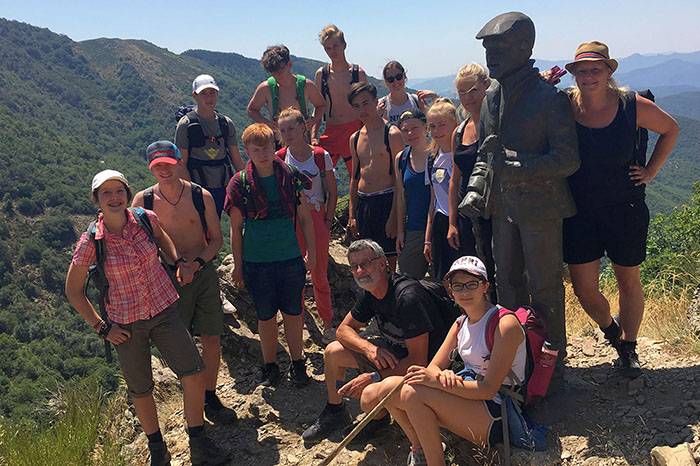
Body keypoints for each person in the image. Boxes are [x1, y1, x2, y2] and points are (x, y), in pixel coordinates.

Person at [65, 170, 229, 466]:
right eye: (106, 193)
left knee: (192, 373)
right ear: (96, 200)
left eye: (119, 191)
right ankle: (157, 450)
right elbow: (73, 291)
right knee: (141, 389)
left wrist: (176, 260)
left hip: (163, 308)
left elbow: (162, 237)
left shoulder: (143, 218)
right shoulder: (91, 241)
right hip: (125, 324)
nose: (114, 198)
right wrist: (102, 328)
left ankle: (199, 441)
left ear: (127, 194)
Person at [462, 12, 581, 390]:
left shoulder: (549, 98)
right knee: (507, 286)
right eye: (487, 48)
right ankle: (515, 367)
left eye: (499, 47)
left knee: (545, 289)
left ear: (525, 48)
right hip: (502, 209)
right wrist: (476, 190)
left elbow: (568, 160)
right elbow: (487, 150)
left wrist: (520, 167)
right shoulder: (493, 95)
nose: (491, 55)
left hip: (542, 210)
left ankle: (553, 372)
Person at [562, 41, 679, 377]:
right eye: (581, 71)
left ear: (609, 72)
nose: (587, 76)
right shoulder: (566, 106)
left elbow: (671, 129)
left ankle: (628, 347)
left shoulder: (631, 105)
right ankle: (611, 331)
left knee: (628, 280)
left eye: (595, 69)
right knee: (583, 288)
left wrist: (651, 172)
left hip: (625, 206)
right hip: (579, 209)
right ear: (573, 75)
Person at [301, 240, 454, 444]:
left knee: (368, 395)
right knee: (333, 352)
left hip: (427, 369)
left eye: (366, 263)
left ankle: (383, 421)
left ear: (383, 263)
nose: (360, 270)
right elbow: (343, 330)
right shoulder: (370, 291)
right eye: (354, 266)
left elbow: (419, 362)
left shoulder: (407, 297)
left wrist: (373, 377)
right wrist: (370, 349)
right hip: (393, 356)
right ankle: (336, 410)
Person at [378, 256, 526, 466]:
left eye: (471, 284)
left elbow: (488, 390)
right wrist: (442, 375)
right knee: (388, 389)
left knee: (412, 392)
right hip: (470, 398)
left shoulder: (504, 324)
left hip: (498, 412)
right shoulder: (460, 323)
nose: (464, 292)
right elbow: (430, 370)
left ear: (485, 286)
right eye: (458, 286)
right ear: (451, 290)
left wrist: (438, 381)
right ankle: (420, 449)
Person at [131, 141, 237, 424]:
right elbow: (138, 245)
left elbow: (216, 239)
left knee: (211, 335)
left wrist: (196, 264)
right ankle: (193, 397)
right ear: (151, 168)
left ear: (178, 161)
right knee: (181, 342)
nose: (164, 170)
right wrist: (176, 266)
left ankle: (210, 396)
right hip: (166, 277)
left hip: (202, 273)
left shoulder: (200, 196)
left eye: (167, 163)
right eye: (157, 166)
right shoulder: (143, 203)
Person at [224, 123, 316, 387]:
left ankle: (298, 363)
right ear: (247, 151)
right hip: (256, 261)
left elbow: (305, 218)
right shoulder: (239, 184)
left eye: (266, 148)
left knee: (294, 313)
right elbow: (235, 227)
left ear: (274, 147)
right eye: (256, 150)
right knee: (265, 317)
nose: (263, 154)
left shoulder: (291, 176)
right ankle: (270, 366)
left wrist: (310, 253)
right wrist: (238, 266)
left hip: (289, 256)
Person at [277, 107, 339, 343]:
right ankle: (299, 322)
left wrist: (327, 220)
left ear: (304, 127)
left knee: (319, 275)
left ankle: (327, 323)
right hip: (291, 221)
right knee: (295, 275)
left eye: (291, 128)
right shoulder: (280, 157)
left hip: (316, 216)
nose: (287, 133)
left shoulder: (320, 155)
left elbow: (332, 191)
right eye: (283, 130)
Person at [347, 82, 406, 271]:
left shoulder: (392, 133)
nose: (362, 110)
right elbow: (354, 177)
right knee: (367, 261)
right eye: (356, 106)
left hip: (386, 200)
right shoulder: (355, 137)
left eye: (365, 103)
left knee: (389, 262)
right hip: (364, 204)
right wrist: (352, 214)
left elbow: (400, 179)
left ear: (375, 102)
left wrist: (394, 217)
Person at [448, 64, 495, 293]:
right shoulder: (458, 131)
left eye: (473, 90)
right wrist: (452, 222)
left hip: (496, 208)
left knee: (500, 268)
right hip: (467, 213)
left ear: (487, 86)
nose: (468, 97)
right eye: (462, 93)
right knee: (474, 268)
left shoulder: (497, 124)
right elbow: (454, 180)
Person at [175, 74, 245, 217]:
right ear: (195, 95)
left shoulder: (225, 123)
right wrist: (191, 194)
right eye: (204, 93)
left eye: (212, 93)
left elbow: (236, 159)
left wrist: (248, 183)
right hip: (198, 186)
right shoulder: (186, 124)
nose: (209, 98)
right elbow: (181, 163)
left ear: (217, 93)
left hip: (224, 186)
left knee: (236, 222)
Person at [314, 24, 367, 178]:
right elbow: (319, 105)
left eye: (335, 46)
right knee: (321, 177)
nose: (332, 51)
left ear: (344, 45)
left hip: (355, 130)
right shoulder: (322, 74)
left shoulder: (358, 73)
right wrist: (313, 135)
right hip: (331, 131)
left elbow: (366, 105)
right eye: (328, 48)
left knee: (358, 178)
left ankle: (357, 203)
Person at [247, 45, 326, 144]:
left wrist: (313, 120)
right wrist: (266, 123)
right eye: (273, 72)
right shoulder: (266, 88)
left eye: (280, 69)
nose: (277, 75)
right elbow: (251, 110)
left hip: (303, 139)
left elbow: (321, 105)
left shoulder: (306, 85)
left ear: (289, 64)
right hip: (278, 140)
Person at [422, 99, 462, 282]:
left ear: (455, 124)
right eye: (433, 126)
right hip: (440, 223)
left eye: (442, 125)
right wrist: (427, 239)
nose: (437, 131)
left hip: (461, 223)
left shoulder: (463, 155)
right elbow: (433, 201)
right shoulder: (431, 159)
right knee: (443, 278)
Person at [394, 109, 432, 279]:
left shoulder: (438, 153)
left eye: (415, 127)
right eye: (405, 130)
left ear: (426, 127)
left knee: (444, 282)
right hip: (413, 228)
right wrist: (400, 232)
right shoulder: (401, 158)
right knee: (408, 281)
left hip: (439, 227)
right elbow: (400, 197)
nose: (410, 133)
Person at [377, 61, 437, 126]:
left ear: (404, 76)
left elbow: (434, 121)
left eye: (398, 76)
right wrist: (376, 116)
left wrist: (434, 98)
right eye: (391, 79)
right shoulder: (381, 105)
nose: (395, 81)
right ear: (385, 81)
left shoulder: (416, 101)